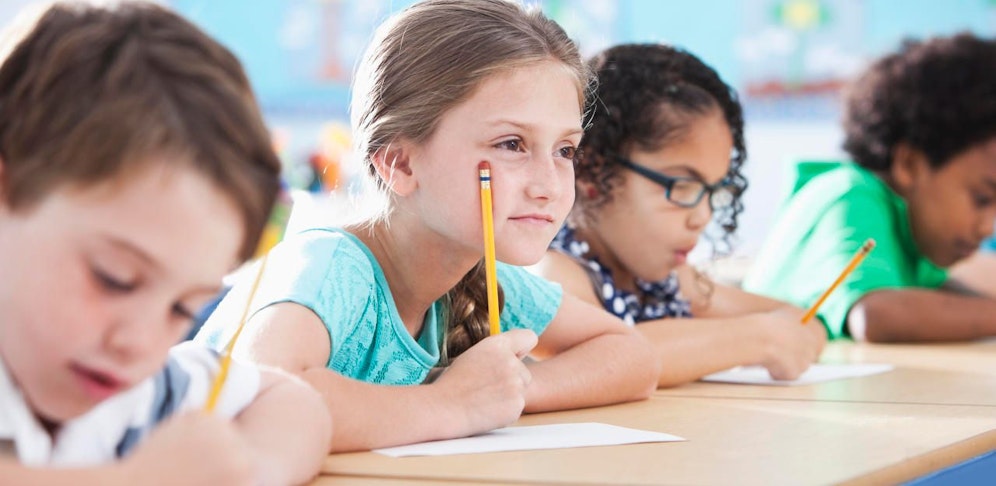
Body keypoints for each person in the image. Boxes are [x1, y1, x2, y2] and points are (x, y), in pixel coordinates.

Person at [197, 0, 658, 452]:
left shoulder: (481, 277)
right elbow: (259, 404)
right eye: (512, 144)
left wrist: (505, 389)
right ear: (399, 162)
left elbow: (631, 356)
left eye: (564, 150)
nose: (549, 187)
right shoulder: (328, 267)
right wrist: (449, 403)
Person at [0, 3, 330, 483]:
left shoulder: (131, 394)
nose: (140, 343)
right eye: (116, 280)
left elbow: (293, 402)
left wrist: (251, 470)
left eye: (182, 309)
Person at [531, 44, 825, 388]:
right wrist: (757, 338)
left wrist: (776, 335)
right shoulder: (555, 273)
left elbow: (802, 323)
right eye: (681, 186)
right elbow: (598, 362)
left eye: (714, 190)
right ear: (594, 172)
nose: (702, 216)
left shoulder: (670, 282)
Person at [743, 33, 996, 342]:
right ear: (910, 165)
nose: (988, 227)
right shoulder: (852, 195)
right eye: (983, 199)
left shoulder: (910, 230)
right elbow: (875, 315)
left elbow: (936, 294)